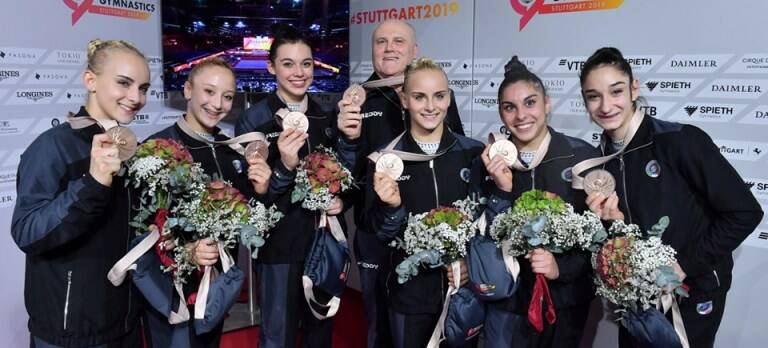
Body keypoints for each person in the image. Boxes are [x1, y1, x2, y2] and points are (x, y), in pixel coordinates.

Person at [578, 47, 763, 348]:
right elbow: (628, 235)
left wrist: (683, 265)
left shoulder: (680, 140)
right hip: (637, 297)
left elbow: (745, 213)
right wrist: (612, 226)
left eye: (616, 91)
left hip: (693, 293)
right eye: (593, 96)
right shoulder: (597, 163)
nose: (606, 105)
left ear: (634, 88)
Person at [11, 39, 150, 347]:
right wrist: (93, 182)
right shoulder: (52, 147)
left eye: (143, 88)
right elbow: (27, 232)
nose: (135, 97)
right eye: (124, 83)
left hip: (125, 324)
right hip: (70, 335)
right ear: (91, 81)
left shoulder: (133, 149)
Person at [336, 19, 466, 348]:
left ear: (414, 50)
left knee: (441, 325)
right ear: (372, 51)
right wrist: (348, 142)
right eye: (381, 42)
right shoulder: (357, 102)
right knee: (380, 327)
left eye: (398, 41)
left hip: (430, 239)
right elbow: (346, 181)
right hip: (377, 237)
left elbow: (456, 157)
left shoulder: (433, 99)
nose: (390, 48)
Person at [235, 24, 355, 348]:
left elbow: (347, 177)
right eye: (288, 63)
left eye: (307, 63)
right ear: (271, 67)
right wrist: (284, 167)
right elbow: (252, 198)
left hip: (323, 244)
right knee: (278, 335)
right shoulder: (254, 120)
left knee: (320, 331)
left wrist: (342, 201)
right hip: (279, 249)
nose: (299, 72)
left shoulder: (326, 117)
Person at [142, 58, 272, 348]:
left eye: (227, 96)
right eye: (209, 92)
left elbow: (247, 221)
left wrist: (261, 190)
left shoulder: (230, 152)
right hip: (169, 297)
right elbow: (140, 230)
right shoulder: (157, 148)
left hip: (215, 291)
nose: (218, 104)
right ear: (188, 90)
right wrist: (186, 250)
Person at [471, 56, 599, 347]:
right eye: (509, 107)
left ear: (547, 103)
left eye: (530, 103)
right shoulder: (488, 163)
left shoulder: (580, 157)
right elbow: (481, 238)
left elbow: (599, 237)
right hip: (508, 301)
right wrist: (502, 191)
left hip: (565, 303)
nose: (521, 116)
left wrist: (561, 268)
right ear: (501, 113)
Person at [365, 57, 483, 348]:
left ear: (448, 99)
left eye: (439, 96)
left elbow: (487, 221)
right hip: (410, 296)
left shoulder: (474, 153)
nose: (431, 106)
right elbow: (375, 232)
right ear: (404, 99)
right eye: (419, 97)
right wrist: (391, 208)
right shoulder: (384, 159)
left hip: (462, 291)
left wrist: (470, 264)